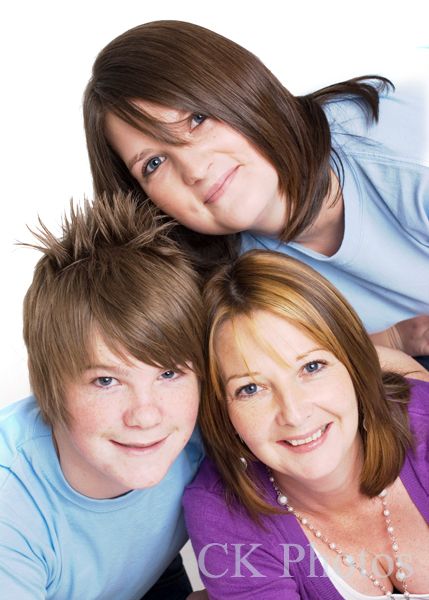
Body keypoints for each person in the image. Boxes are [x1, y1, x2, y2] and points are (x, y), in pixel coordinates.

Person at [82, 20, 429, 364]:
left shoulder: (399, 144)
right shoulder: (228, 283)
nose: (195, 169)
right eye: (154, 164)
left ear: (241, 91)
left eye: (197, 120)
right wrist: (392, 340)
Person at [183, 249, 429, 599]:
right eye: (250, 388)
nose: (294, 414)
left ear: (353, 362)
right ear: (222, 410)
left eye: (311, 367)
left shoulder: (424, 423)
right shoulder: (221, 512)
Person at [0, 193, 207, 599]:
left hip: (145, 575)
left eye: (168, 373)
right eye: (106, 381)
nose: (146, 415)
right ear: (47, 384)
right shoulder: (12, 507)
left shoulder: (203, 434)